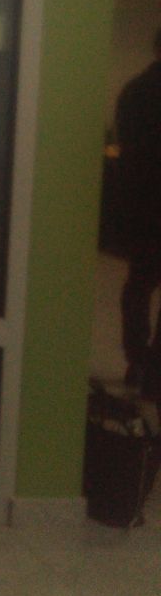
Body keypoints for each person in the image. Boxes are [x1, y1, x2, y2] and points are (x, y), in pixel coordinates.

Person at [116, 28, 161, 399]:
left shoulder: (134, 91)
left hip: (141, 205)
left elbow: (128, 149)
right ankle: (154, 369)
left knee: (139, 283)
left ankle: (138, 358)